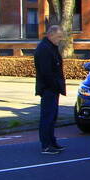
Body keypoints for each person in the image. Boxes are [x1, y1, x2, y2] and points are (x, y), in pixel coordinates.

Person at [34, 24, 66, 155]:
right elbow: (46, 72)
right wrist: (54, 85)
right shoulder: (44, 49)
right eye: (58, 37)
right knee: (47, 116)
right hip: (49, 88)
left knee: (52, 117)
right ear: (51, 35)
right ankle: (46, 145)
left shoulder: (50, 47)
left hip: (53, 88)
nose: (60, 40)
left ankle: (52, 141)